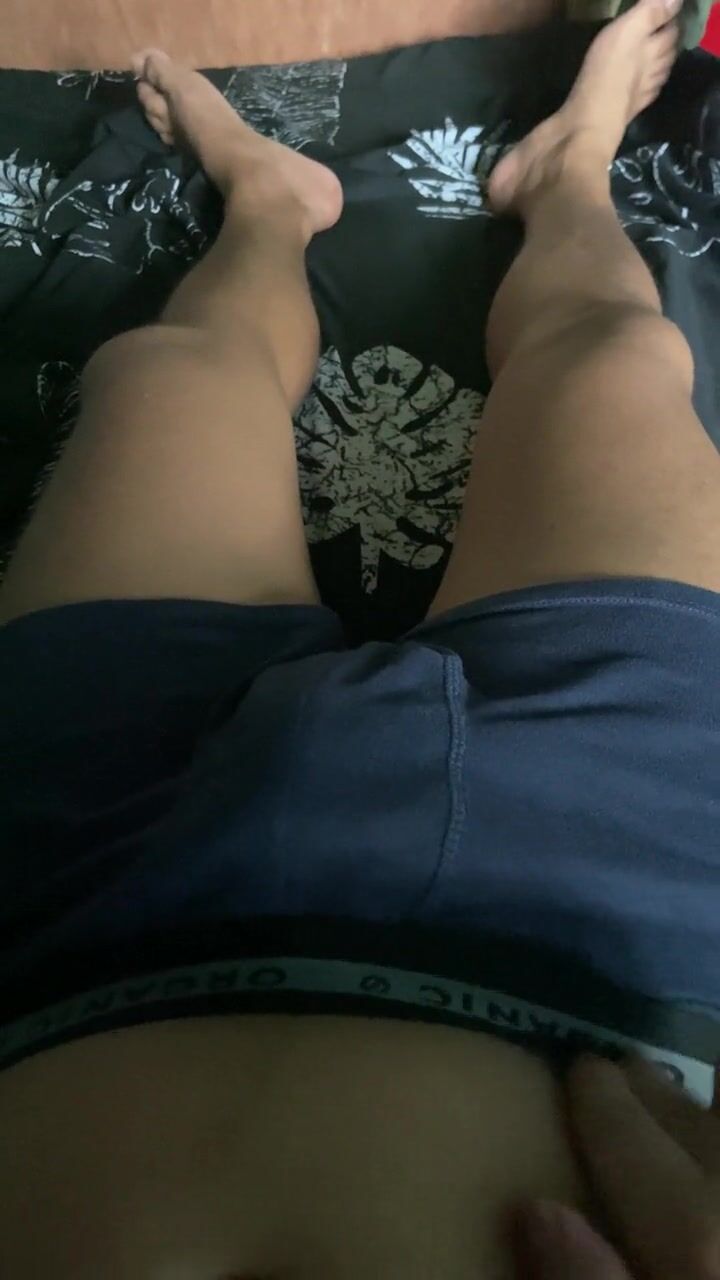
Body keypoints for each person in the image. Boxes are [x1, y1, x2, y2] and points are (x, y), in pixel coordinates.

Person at [0, 0, 718, 1274]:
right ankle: (544, 182)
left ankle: (303, 202)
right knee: (614, 353)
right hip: (608, 934)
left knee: (163, 377)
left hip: (70, 902)